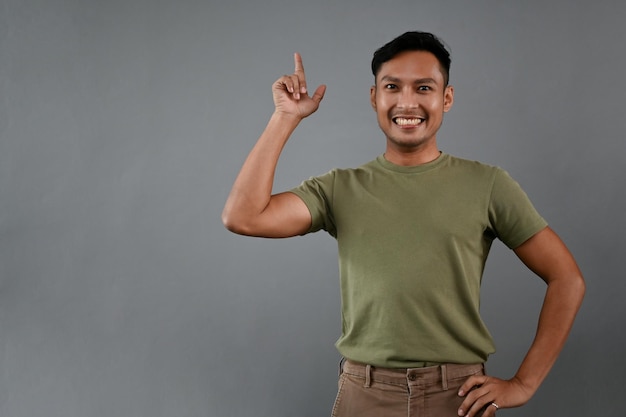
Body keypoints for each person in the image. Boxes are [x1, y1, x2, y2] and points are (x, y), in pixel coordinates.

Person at [222, 31, 585, 417]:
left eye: (424, 87)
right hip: (365, 394)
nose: (407, 102)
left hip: (458, 397)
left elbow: (567, 278)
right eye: (392, 86)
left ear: (446, 98)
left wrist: (524, 384)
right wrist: (285, 117)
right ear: (374, 97)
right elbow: (244, 217)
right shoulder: (340, 188)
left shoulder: (488, 185)